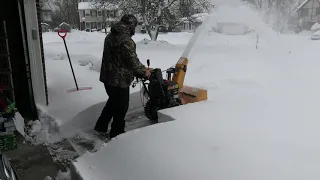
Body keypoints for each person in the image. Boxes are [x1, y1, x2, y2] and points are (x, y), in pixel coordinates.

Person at [94, 14, 151, 139]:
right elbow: (131, 60)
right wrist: (144, 71)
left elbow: (118, 58)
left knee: (112, 102)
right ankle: (117, 134)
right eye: (134, 27)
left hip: (107, 78)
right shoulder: (126, 41)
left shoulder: (110, 36)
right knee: (121, 108)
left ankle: (100, 126)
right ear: (131, 25)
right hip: (119, 81)